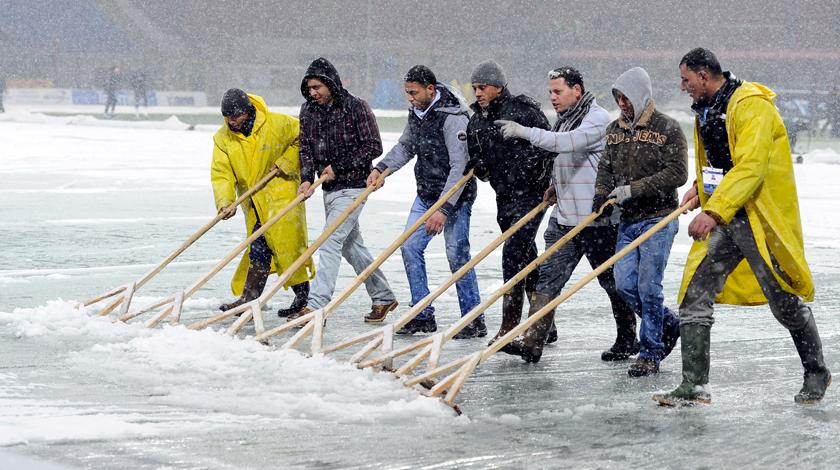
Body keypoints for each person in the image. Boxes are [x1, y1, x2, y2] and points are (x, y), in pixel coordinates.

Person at [654, 48, 831, 406]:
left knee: (783, 301)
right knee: (695, 295)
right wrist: (701, 189)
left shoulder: (751, 106)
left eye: (686, 79)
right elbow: (721, 162)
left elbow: (750, 167)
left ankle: (816, 371)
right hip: (728, 217)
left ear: (704, 75)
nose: (683, 86)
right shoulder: (708, 109)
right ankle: (694, 386)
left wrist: (714, 212)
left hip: (757, 220)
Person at [495, 66, 637, 363]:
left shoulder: (596, 119)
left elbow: (565, 144)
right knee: (548, 278)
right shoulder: (565, 118)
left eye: (558, 92)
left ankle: (629, 337)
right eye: (550, 92)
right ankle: (533, 340)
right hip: (564, 219)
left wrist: (525, 132)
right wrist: (553, 186)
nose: (553, 98)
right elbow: (565, 160)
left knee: (611, 283)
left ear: (577, 90)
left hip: (595, 219)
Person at [366, 65, 482, 338]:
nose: (410, 98)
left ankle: (473, 318)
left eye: (414, 92)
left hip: (456, 197)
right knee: (410, 248)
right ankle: (422, 314)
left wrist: (443, 209)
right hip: (426, 192)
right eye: (407, 93)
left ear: (430, 89)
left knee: (457, 255)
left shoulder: (452, 117)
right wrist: (382, 169)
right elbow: (407, 145)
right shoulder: (418, 113)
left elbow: (460, 167)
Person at [592, 67, 687, 377]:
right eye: (618, 98)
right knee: (624, 284)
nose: (622, 103)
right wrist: (602, 197)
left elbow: (678, 173)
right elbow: (605, 168)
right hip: (628, 221)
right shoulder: (614, 131)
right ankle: (669, 324)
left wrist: (635, 189)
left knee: (648, 287)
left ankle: (650, 352)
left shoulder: (668, 128)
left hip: (658, 218)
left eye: (626, 97)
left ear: (641, 94)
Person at [288, 58, 398, 323]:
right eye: (309, 88)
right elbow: (305, 148)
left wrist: (338, 166)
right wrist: (305, 178)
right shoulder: (308, 111)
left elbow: (373, 147)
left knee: (330, 240)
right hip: (329, 189)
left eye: (317, 87)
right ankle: (383, 296)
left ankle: (316, 306)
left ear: (330, 83)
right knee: (351, 245)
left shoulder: (356, 107)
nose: (313, 93)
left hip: (354, 186)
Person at [464, 60, 553, 346]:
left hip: (531, 193)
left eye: (483, 87)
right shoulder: (476, 118)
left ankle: (510, 323)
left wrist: (542, 177)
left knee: (513, 254)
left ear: (499, 86)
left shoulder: (525, 111)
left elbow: (549, 144)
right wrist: (479, 165)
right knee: (526, 256)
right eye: (475, 88)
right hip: (504, 195)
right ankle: (545, 322)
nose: (478, 93)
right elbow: (477, 154)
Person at [211, 88, 314, 316]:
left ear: (248, 111)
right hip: (254, 204)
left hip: (282, 196)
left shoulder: (278, 124)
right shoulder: (223, 139)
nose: (231, 121)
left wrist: (286, 163)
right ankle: (249, 298)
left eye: (235, 116)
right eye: (227, 116)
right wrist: (225, 201)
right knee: (258, 249)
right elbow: (222, 173)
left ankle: (302, 298)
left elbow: (304, 140)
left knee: (289, 249)